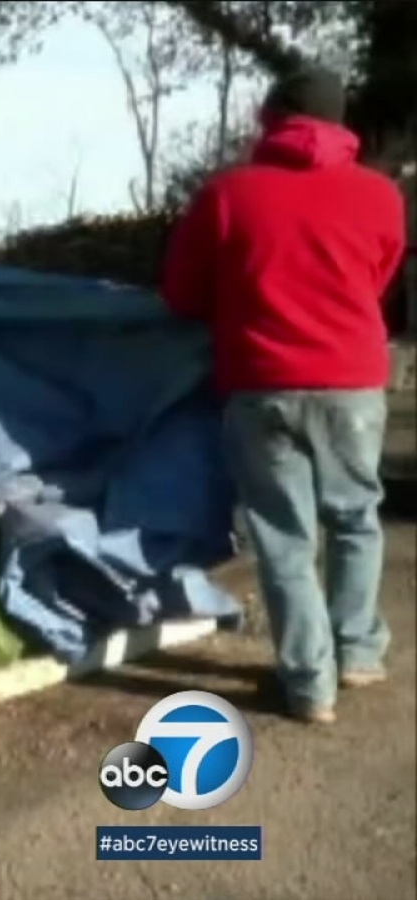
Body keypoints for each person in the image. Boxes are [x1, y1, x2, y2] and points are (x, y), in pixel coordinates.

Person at [160, 66, 407, 724]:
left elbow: (183, 295)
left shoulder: (227, 194)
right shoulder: (381, 196)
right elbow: (375, 278)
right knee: (356, 518)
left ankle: (309, 686)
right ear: (342, 125)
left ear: (270, 121)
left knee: (284, 539)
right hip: (353, 381)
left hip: (259, 384)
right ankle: (356, 652)